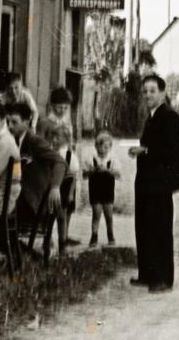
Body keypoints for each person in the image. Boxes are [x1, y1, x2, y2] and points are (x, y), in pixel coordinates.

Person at [129, 75, 179, 293]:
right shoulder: (151, 117)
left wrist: (145, 150)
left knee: (160, 228)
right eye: (145, 91)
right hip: (146, 180)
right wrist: (142, 151)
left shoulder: (170, 117)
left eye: (152, 91)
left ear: (162, 93)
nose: (148, 95)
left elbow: (170, 150)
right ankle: (147, 274)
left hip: (160, 182)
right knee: (144, 226)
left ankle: (163, 278)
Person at [6, 101, 63, 226]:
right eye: (7, 122)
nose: (9, 126)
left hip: (31, 202)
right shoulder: (12, 140)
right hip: (19, 198)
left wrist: (55, 187)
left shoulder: (34, 141)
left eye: (14, 122)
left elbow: (59, 161)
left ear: (26, 122)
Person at [45, 119, 81, 250]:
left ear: (65, 139)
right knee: (50, 216)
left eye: (57, 137)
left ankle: (62, 242)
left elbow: (74, 176)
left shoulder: (69, 155)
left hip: (65, 187)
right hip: (54, 186)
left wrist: (71, 193)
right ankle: (47, 240)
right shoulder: (51, 152)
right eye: (52, 136)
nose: (54, 140)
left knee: (62, 216)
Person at [84, 130, 119, 247]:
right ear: (95, 146)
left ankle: (111, 235)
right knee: (96, 213)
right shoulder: (91, 159)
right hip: (95, 190)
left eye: (105, 147)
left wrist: (108, 171)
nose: (102, 149)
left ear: (110, 147)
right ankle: (94, 236)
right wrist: (93, 170)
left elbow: (118, 174)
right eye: (99, 146)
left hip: (108, 190)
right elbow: (84, 174)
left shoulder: (112, 159)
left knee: (109, 214)